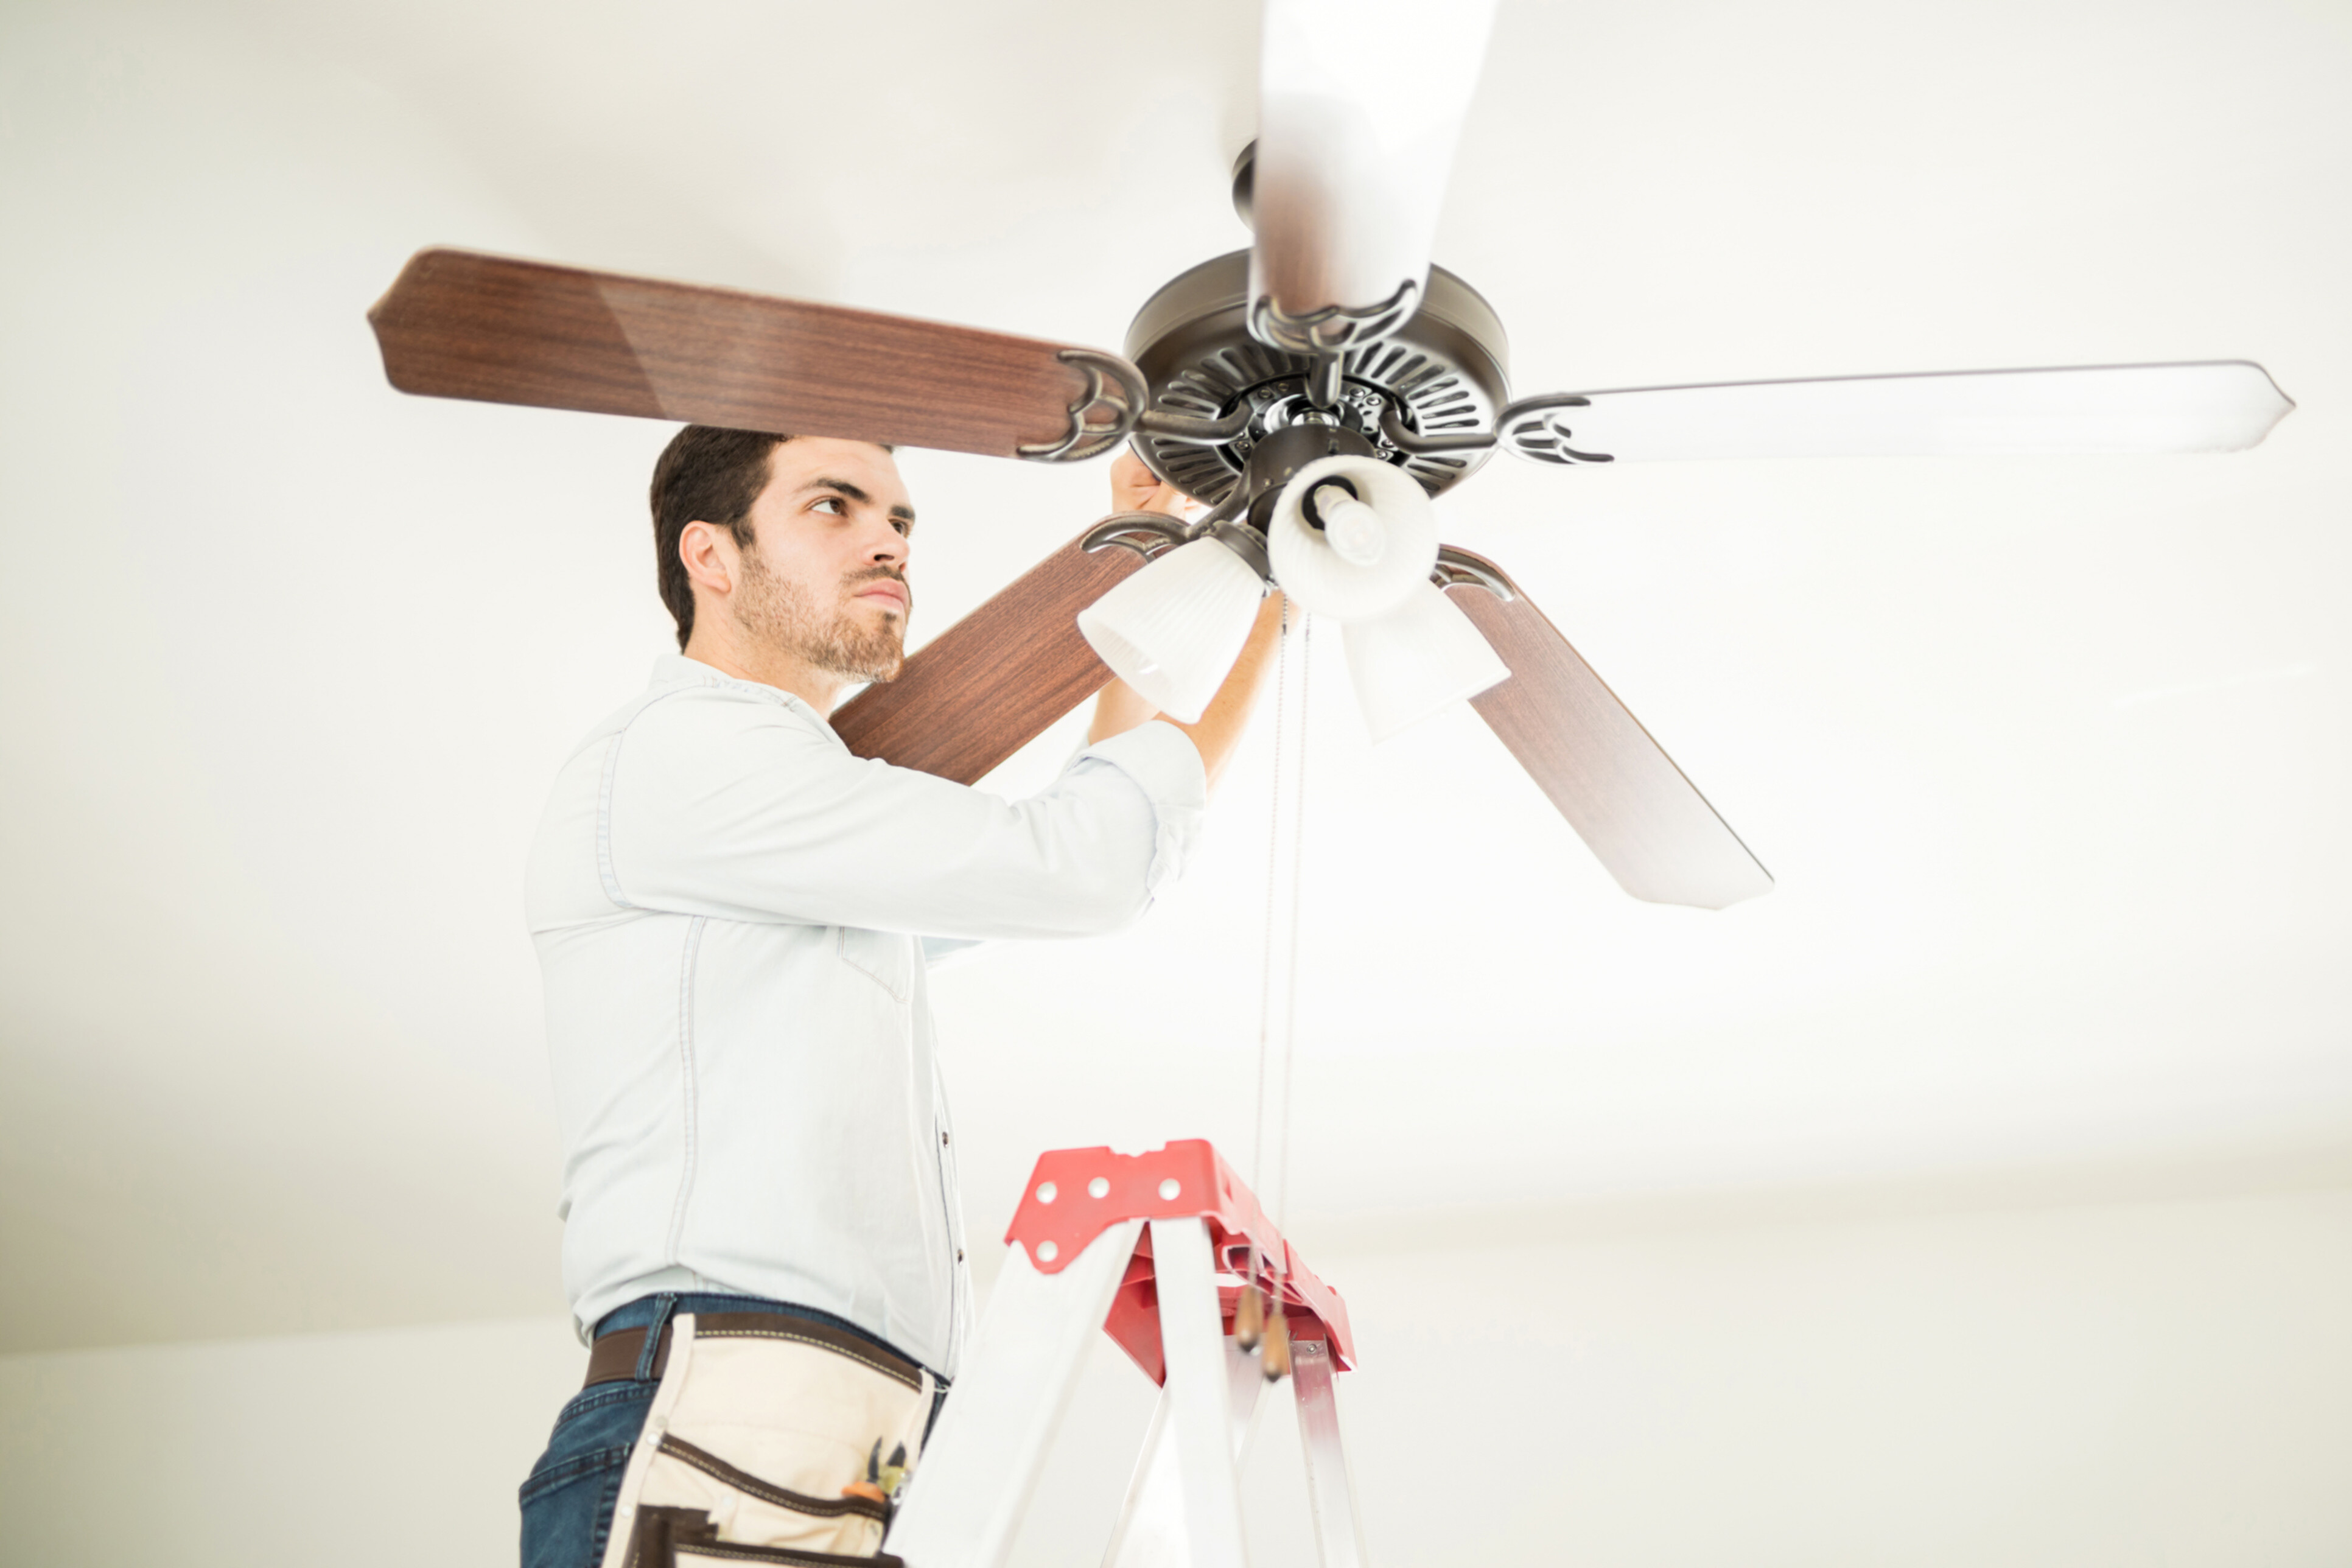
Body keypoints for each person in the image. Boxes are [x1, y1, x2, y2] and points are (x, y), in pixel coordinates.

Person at [517, 426, 1282, 1568]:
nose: (889, 540)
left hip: (829, 1435)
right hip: (728, 1415)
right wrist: (1275, 601)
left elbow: (1065, 853)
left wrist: (1158, 572)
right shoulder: (684, 762)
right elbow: (1086, 865)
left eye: (901, 519)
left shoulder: (793, 831)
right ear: (710, 558)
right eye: (834, 505)